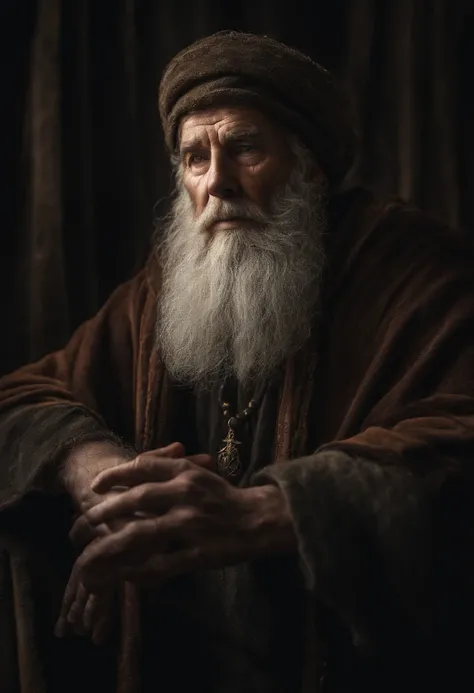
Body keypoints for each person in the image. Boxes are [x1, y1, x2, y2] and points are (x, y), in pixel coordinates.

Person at [1, 29, 474, 693]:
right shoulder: (163, 291)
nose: (218, 182)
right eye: (195, 158)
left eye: (245, 148)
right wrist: (105, 477)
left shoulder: (415, 271)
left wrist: (260, 513)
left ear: (309, 168)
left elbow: (458, 450)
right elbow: (20, 397)